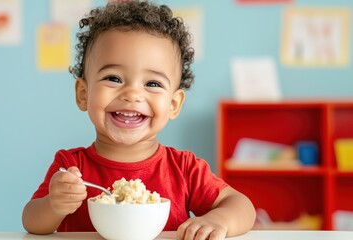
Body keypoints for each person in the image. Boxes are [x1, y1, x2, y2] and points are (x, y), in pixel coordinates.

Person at [22, 1, 256, 239]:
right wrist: (54, 204)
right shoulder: (71, 166)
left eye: (152, 84)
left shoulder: (184, 169)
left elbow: (241, 205)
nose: (133, 94)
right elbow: (32, 221)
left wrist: (218, 219)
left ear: (173, 105)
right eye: (113, 78)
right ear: (83, 94)